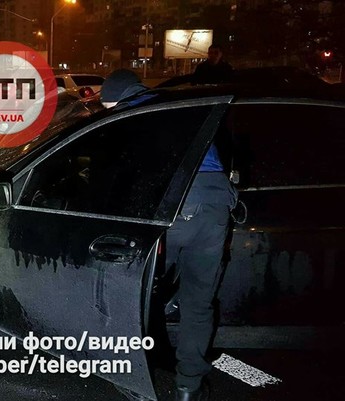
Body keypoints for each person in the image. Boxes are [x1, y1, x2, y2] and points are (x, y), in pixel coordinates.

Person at [100, 69, 237, 401]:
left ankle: (134, 382)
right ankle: (189, 387)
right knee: (198, 302)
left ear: (116, 98)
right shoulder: (179, 106)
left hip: (170, 207)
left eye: (106, 106)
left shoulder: (130, 115)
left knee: (134, 297)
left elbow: (121, 176)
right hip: (215, 204)